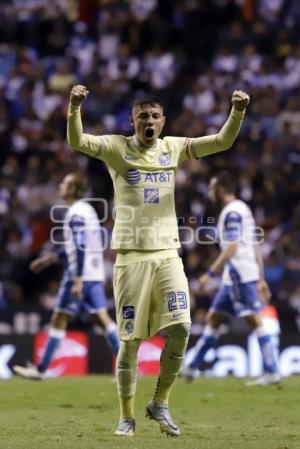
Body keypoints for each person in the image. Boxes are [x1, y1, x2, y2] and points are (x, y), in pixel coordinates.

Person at [66, 85, 250, 436]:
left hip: (168, 254)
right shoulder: (116, 148)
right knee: (130, 342)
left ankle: (160, 402)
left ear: (162, 121)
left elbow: (222, 141)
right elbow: (78, 141)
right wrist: (74, 107)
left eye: (154, 116)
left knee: (182, 328)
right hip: (131, 258)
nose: (149, 122)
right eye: (142, 117)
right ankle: (126, 415)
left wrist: (237, 112)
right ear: (132, 121)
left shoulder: (174, 148)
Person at [13, 173, 119, 379]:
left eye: (65, 183)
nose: (61, 185)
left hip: (79, 274)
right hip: (94, 273)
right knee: (103, 319)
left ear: (73, 189)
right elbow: (77, 246)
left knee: (59, 317)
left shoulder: (76, 212)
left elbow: (79, 246)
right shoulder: (87, 210)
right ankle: (128, 367)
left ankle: (41, 369)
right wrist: (50, 259)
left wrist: (77, 279)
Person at [181, 172, 280, 385]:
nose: (209, 192)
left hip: (238, 272)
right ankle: (191, 367)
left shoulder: (232, 212)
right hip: (237, 273)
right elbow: (254, 243)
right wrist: (260, 277)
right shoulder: (243, 208)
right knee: (214, 317)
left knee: (253, 319)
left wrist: (209, 273)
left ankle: (272, 370)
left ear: (220, 188)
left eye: (211, 187)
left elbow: (234, 245)